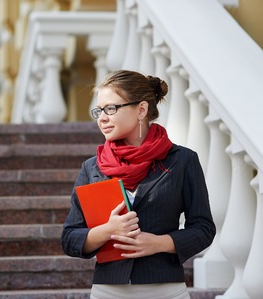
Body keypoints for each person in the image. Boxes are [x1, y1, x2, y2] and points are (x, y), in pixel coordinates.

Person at [61, 70, 216, 299]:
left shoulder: (183, 161)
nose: (102, 118)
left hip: (166, 290)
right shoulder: (92, 168)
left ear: (141, 110)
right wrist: (108, 231)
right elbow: (69, 238)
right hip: (108, 292)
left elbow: (203, 229)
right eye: (99, 111)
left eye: (111, 109)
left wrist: (159, 243)